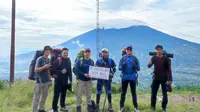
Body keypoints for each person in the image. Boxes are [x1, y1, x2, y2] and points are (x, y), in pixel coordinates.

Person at [147, 45, 172, 112]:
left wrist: (170, 79)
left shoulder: (165, 59)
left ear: (162, 50)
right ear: (156, 50)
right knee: (153, 93)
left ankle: (164, 108)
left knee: (165, 94)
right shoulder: (154, 58)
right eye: (157, 49)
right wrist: (149, 63)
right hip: (156, 78)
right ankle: (153, 107)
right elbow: (148, 66)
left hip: (164, 78)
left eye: (160, 49)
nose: (158, 51)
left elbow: (169, 69)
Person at [118, 45, 140, 112]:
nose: (129, 51)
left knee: (133, 93)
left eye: (130, 50)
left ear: (132, 50)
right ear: (126, 51)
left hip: (133, 78)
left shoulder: (135, 58)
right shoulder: (123, 58)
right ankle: (121, 107)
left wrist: (135, 65)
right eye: (128, 50)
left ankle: (136, 108)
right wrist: (123, 65)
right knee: (123, 93)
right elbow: (119, 68)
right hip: (124, 77)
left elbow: (138, 68)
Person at [32, 46, 53, 112]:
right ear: (44, 51)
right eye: (46, 50)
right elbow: (36, 69)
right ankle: (34, 110)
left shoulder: (49, 60)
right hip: (39, 81)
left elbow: (48, 71)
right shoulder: (40, 59)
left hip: (46, 81)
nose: (47, 52)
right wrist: (44, 67)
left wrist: (50, 80)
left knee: (44, 96)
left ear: (50, 52)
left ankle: (41, 109)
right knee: (36, 97)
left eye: (49, 50)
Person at [52, 48, 72, 112]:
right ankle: (55, 108)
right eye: (64, 53)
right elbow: (52, 70)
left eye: (67, 53)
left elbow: (69, 71)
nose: (66, 54)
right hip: (58, 80)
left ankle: (62, 106)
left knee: (63, 94)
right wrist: (61, 71)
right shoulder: (58, 60)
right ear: (61, 53)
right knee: (56, 95)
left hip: (65, 80)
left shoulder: (68, 60)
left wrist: (70, 80)